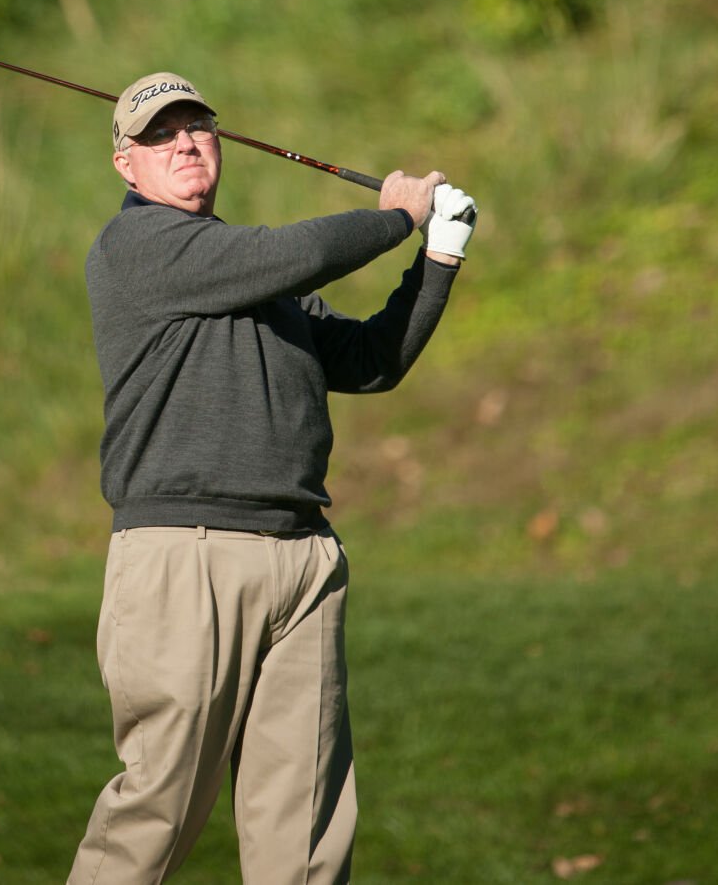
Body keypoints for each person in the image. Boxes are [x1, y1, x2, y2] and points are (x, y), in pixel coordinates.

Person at [67, 70, 477, 885]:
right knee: (155, 812)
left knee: (306, 832)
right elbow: (298, 252)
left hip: (301, 560)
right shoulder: (137, 248)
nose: (184, 143)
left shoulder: (263, 285)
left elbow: (369, 362)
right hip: (186, 557)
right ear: (126, 165)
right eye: (159, 134)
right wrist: (398, 215)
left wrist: (437, 257)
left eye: (197, 126)